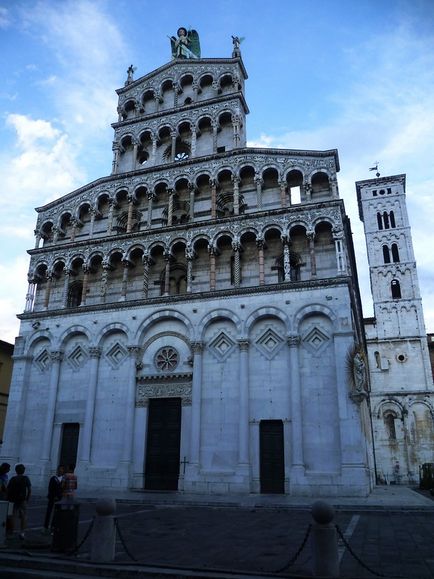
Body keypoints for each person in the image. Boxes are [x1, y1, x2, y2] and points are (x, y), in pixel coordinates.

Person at [7, 463, 31, 539]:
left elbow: (8, 489)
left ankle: (12, 531)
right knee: (23, 516)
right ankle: (22, 532)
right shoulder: (26, 478)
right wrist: (27, 499)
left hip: (13, 499)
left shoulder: (13, 479)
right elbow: (29, 490)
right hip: (22, 499)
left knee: (12, 515)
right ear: (23, 471)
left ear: (16, 471)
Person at [44, 465, 64, 532]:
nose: (60, 471)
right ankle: (45, 526)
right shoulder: (53, 478)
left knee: (57, 513)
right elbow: (50, 488)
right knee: (49, 512)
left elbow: (63, 489)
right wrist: (52, 495)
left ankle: (53, 526)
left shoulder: (63, 479)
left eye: (61, 470)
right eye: (59, 470)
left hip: (59, 498)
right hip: (52, 497)